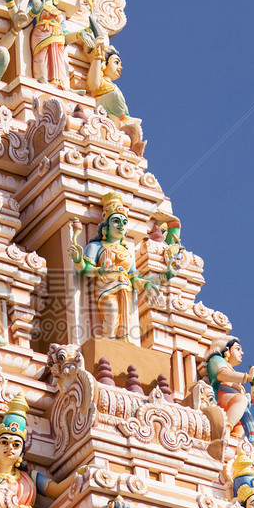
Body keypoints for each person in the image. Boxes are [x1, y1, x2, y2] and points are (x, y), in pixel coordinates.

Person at [70, 192, 170, 342]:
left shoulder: (126, 252)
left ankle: (120, 343)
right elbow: (84, 269)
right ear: (106, 228)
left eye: (124, 222)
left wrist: (148, 284)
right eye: (116, 221)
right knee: (112, 313)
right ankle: (108, 342)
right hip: (106, 288)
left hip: (125, 289)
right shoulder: (96, 246)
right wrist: (81, 262)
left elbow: (134, 278)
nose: (121, 225)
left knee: (125, 320)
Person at [4, 0, 92, 90]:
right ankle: (42, 81)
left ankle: (60, 86)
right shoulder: (36, 3)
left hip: (58, 40)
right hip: (41, 36)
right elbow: (20, 21)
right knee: (43, 61)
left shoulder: (59, 13)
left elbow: (66, 36)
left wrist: (80, 34)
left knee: (58, 62)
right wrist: (12, 2)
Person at [204, 336, 254, 451]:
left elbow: (247, 400)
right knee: (241, 400)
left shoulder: (232, 371)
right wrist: (248, 377)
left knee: (237, 441)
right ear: (226, 350)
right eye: (238, 349)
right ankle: (225, 429)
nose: (242, 353)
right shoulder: (216, 360)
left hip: (237, 411)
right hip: (222, 398)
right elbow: (222, 375)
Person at [85, 40, 145, 155]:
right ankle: (113, 141)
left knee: (135, 130)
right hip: (106, 113)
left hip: (123, 118)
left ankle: (135, 147)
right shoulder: (102, 81)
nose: (120, 67)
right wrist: (98, 57)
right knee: (113, 121)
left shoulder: (114, 86)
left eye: (120, 64)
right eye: (116, 63)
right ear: (104, 64)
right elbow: (93, 84)